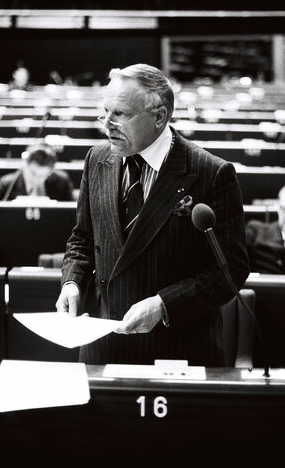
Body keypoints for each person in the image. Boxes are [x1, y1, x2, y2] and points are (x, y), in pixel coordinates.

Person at [55, 63, 249, 366]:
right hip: (103, 347)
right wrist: (72, 283)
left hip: (177, 351)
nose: (107, 124)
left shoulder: (211, 173)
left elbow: (230, 270)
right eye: (104, 112)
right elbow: (83, 238)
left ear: (159, 116)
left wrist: (163, 304)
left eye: (119, 114)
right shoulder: (97, 158)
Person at [0, 143, 74, 201]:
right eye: (33, 174)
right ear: (25, 165)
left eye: (44, 175)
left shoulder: (62, 181)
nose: (38, 180)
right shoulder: (7, 182)